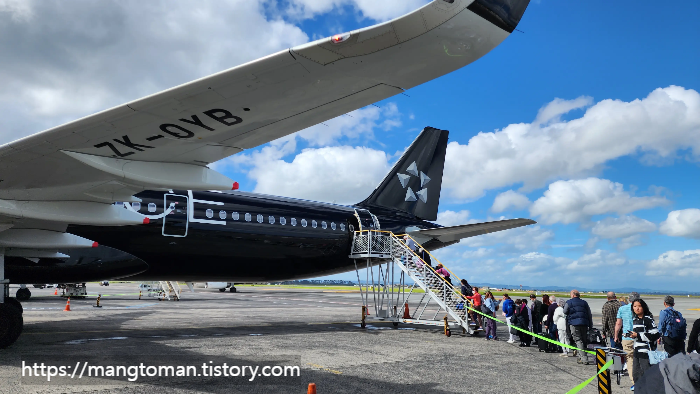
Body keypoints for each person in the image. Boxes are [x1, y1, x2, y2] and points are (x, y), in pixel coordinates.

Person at [629, 299, 661, 384]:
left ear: (643, 307)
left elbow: (655, 335)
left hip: (646, 352)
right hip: (637, 351)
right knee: (636, 375)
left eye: (639, 306)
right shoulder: (635, 319)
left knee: (647, 376)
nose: (637, 308)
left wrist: (638, 335)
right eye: (635, 306)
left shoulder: (647, 319)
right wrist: (632, 335)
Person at [615, 292, 640, 388]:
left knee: (630, 360)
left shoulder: (622, 309)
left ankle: (634, 382)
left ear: (629, 299)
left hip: (627, 337)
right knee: (640, 359)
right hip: (639, 337)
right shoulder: (641, 308)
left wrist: (616, 335)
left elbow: (618, 324)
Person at [563, 289, 593, 365]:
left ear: (573, 295)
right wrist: (590, 325)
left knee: (578, 340)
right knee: (583, 340)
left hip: (574, 323)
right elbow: (589, 314)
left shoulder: (569, 302)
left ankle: (584, 358)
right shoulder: (584, 303)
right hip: (584, 323)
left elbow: (565, 311)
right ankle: (581, 356)